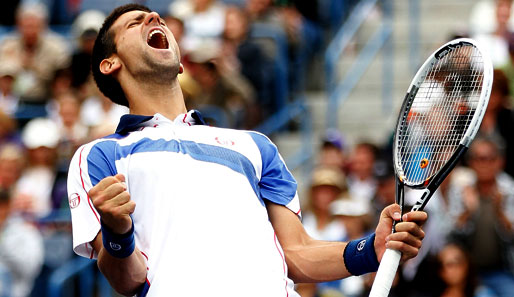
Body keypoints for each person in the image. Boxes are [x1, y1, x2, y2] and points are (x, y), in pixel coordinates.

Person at [67, 4, 427, 297]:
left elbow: (296, 253)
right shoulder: (99, 157)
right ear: (109, 63)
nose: (154, 18)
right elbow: (126, 278)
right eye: (134, 22)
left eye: (157, 17)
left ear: (179, 64)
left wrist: (370, 250)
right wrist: (117, 231)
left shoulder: (254, 146)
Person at [449, 137, 514, 297]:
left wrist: (499, 212)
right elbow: (450, 234)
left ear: (500, 161)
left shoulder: (509, 190)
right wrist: (468, 211)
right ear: (471, 163)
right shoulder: (461, 189)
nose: (484, 164)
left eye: (490, 158)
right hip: (469, 272)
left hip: (501, 270)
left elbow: (511, 236)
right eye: (479, 159)